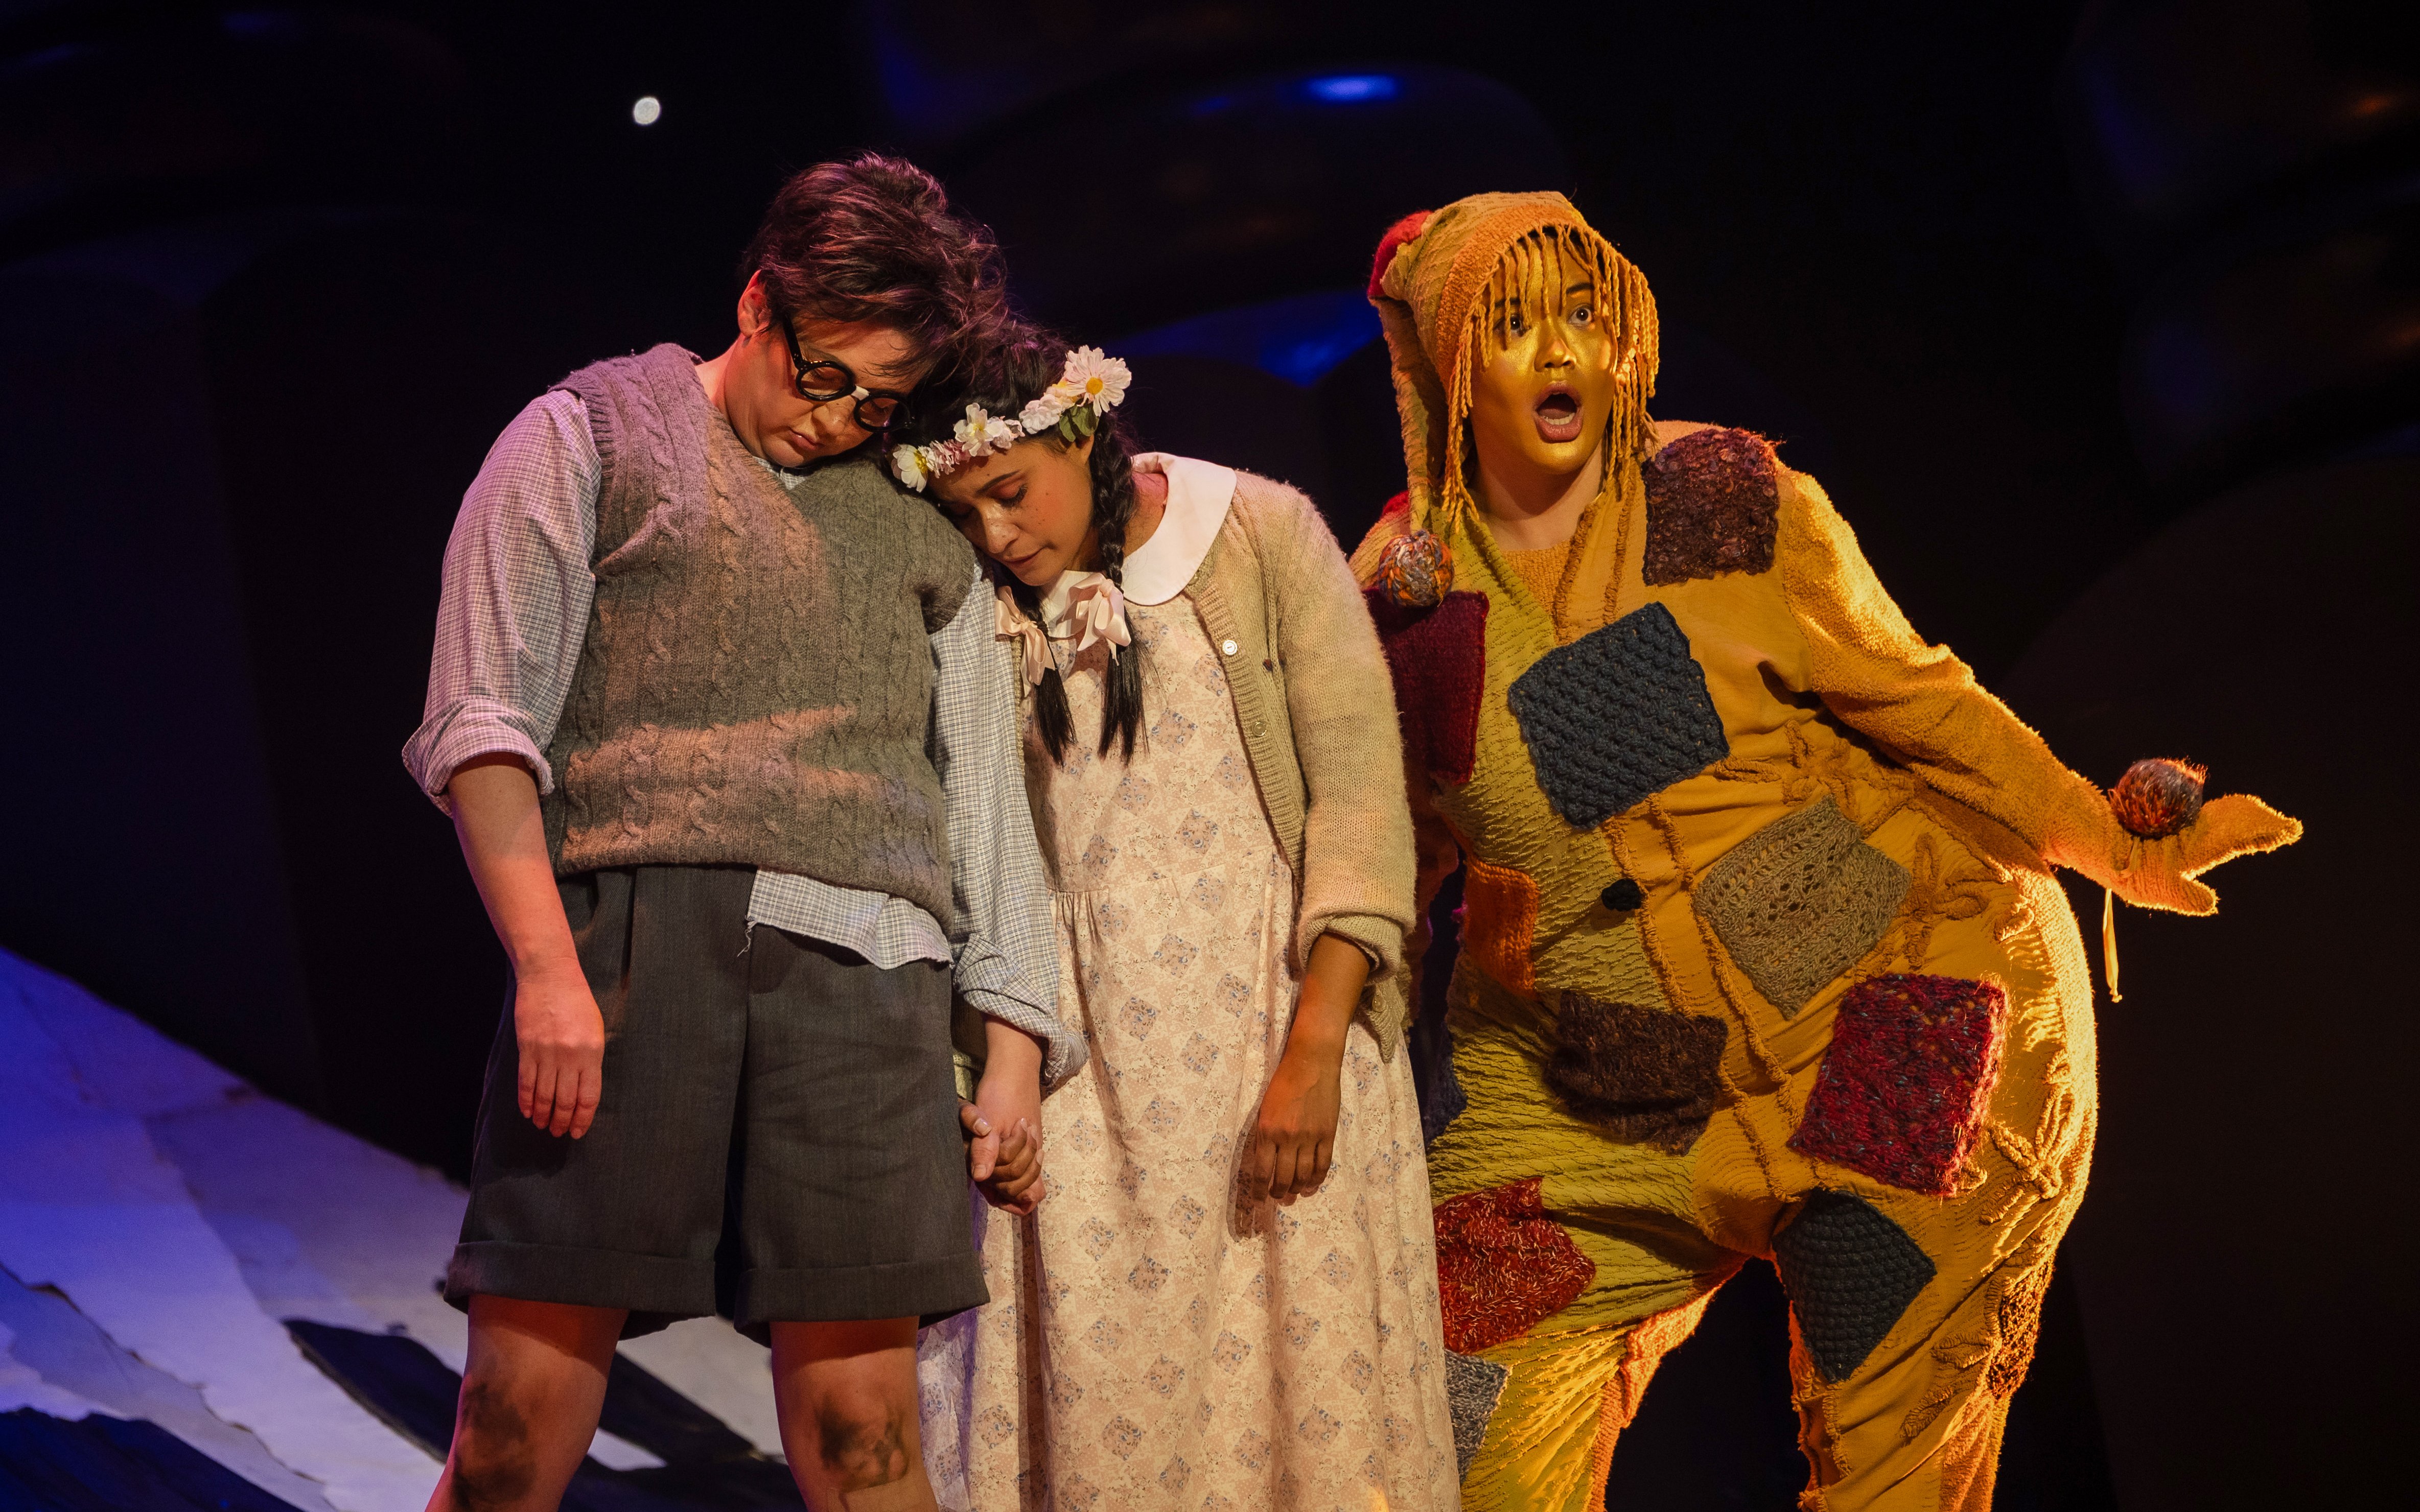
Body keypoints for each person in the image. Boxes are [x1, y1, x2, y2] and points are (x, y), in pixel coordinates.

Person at [1351, 191, 2301, 1510]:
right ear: (1451, 361)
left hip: (1885, 1009)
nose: (1561, 352)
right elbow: (1382, 862)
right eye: (1512, 326)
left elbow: (1921, 697)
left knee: (1889, 1462)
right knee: (1448, 1431)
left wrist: (2101, 837)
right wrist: (1311, 1055)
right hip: (1611, 1082)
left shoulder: (1716, 493)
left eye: (1587, 314)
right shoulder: (1410, 595)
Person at [400, 155, 1078, 1512]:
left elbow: (985, 797)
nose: (843, 420)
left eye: (881, 400)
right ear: (760, 302)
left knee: (868, 1437)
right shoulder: (589, 434)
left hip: (868, 979)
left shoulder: (914, 517)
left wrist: (1011, 1037)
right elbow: (480, 721)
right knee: (516, 1425)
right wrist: (546, 971)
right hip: (633, 960)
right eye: (825, 376)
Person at [894, 325, 1461, 1510]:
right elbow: (988, 847)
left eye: (1009, 493)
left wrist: (1316, 1052)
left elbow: (1362, 801)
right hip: (1085, 1066)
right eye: (966, 517)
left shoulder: (1256, 531)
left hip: (1271, 1032)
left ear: (1084, 431)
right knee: (1109, 1403)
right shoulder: (984, 609)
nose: (997, 534)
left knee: (1300, 1396)